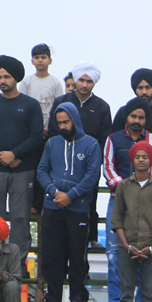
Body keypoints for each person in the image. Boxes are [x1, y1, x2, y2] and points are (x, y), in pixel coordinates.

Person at [102, 100, 152, 302]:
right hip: (118, 201)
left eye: (141, 117)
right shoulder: (113, 139)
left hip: (148, 204)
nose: (137, 121)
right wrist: (126, 190)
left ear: (146, 119)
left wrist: (141, 188)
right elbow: (108, 168)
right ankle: (116, 301)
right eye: (133, 116)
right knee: (114, 252)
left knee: (145, 251)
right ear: (126, 117)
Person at [36, 102, 101, 302]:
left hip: (78, 208)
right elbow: (41, 171)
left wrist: (70, 196)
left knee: (78, 256)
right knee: (52, 255)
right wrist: (55, 192)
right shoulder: (51, 143)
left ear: (75, 120)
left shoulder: (91, 144)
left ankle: (78, 299)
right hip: (53, 206)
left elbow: (92, 176)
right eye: (59, 123)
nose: (62, 126)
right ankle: (52, 299)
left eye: (66, 122)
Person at [49, 63, 112, 246]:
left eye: (89, 81)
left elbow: (105, 139)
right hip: (62, 163)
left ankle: (91, 238)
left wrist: (94, 161)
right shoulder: (61, 102)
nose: (85, 84)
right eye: (81, 80)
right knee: (59, 200)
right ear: (75, 80)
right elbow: (53, 132)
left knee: (89, 201)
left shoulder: (102, 107)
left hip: (88, 165)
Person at [111, 141, 152, 302]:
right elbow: (117, 219)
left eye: (145, 157)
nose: (141, 160)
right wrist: (127, 246)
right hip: (126, 248)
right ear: (132, 160)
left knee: (149, 294)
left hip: (151, 248)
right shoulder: (123, 186)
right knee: (126, 294)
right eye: (137, 157)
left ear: (151, 161)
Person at [0, 54, 43, 262]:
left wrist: (15, 154)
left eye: (6, 76)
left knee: (20, 219)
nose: (2, 81)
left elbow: (36, 137)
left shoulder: (30, 105)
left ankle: (18, 264)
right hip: (0, 170)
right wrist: (4, 156)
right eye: (0, 77)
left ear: (16, 78)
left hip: (23, 171)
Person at [112, 69, 152, 145]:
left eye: (147, 88)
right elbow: (114, 139)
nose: (144, 92)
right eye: (140, 88)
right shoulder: (124, 112)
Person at [17, 43, 63, 131]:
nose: (40, 60)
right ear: (32, 61)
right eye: (37, 57)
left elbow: (60, 106)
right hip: (29, 127)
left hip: (50, 128)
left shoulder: (55, 83)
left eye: (43, 57)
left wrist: (50, 128)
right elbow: (21, 104)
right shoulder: (27, 81)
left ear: (50, 61)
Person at [0, 217, 20, 302]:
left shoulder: (13, 250)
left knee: (13, 287)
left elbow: (16, 278)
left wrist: (2, 275)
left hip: (5, 291)